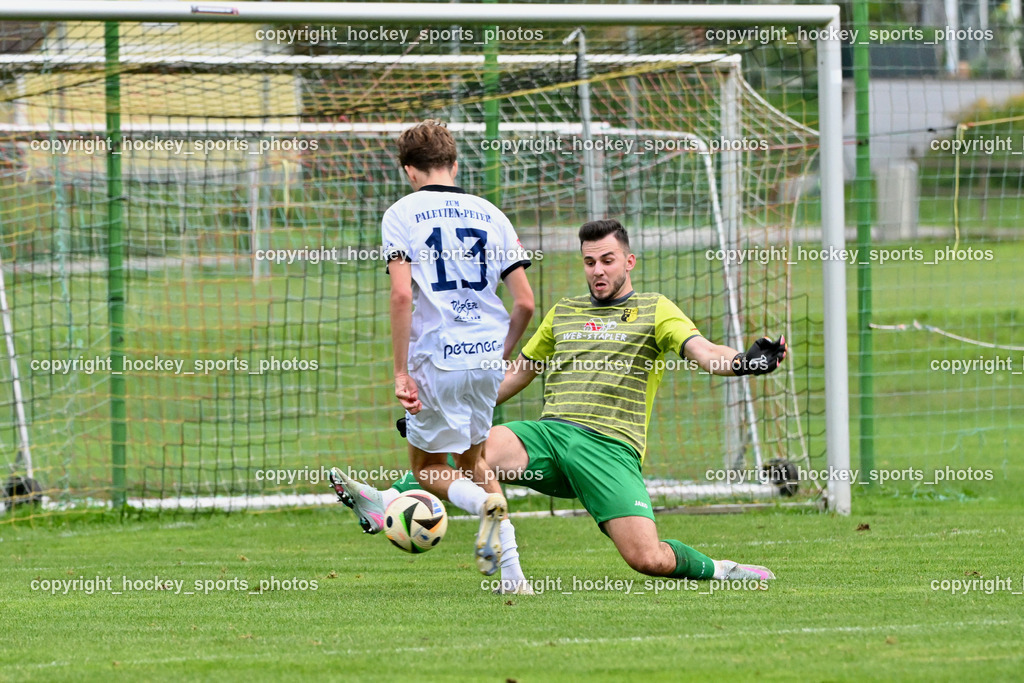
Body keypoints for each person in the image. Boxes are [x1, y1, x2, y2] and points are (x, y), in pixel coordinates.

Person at [340, 218, 786, 587]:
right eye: (590, 262)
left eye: (608, 260)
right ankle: (387, 502)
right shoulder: (564, 311)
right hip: (549, 437)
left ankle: (723, 570)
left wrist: (746, 362)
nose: (598, 270)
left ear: (629, 261)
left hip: (609, 449)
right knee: (473, 444)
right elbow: (517, 374)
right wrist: (441, 409)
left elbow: (706, 354)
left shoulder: (656, 309)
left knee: (647, 558)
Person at [329, 120, 535, 580]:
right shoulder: (491, 213)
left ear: (408, 170)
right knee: (474, 462)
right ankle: (513, 575)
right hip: (485, 353)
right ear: (454, 164)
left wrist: (401, 372)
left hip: (437, 357)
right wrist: (499, 354)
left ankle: (481, 504)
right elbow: (525, 302)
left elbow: (402, 296)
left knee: (427, 469)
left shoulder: (401, 214)